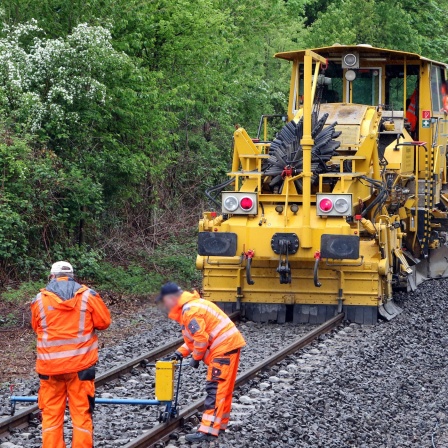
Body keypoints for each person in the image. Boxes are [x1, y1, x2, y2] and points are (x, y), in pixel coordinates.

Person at [30, 261, 111, 448]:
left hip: (50, 369)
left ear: (52, 276)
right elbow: (104, 322)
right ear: (73, 276)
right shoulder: (88, 296)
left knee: (51, 415)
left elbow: (36, 327)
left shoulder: (39, 300)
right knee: (81, 414)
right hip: (81, 368)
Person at [157, 282, 246, 442]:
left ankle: (207, 432)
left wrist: (196, 358)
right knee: (223, 390)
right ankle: (219, 425)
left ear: (171, 299)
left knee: (215, 389)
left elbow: (201, 339)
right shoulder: (193, 305)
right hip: (229, 346)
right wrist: (180, 353)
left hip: (223, 348)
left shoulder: (190, 311)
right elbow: (194, 338)